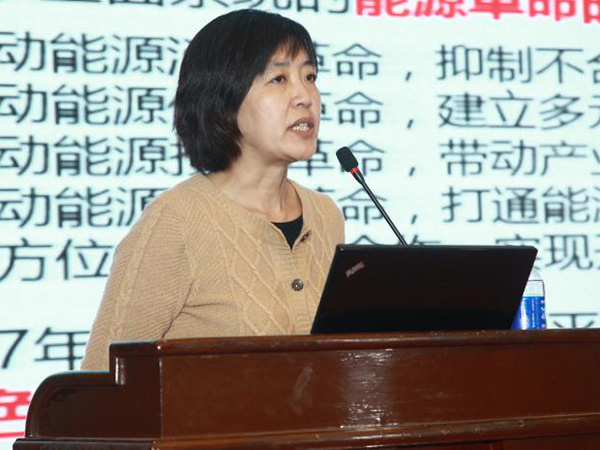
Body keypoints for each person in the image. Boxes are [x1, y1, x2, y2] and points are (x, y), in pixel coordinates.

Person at [81, 9, 345, 370]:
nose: (305, 96)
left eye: (310, 76)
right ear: (223, 98)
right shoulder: (177, 221)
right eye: (279, 79)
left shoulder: (325, 215)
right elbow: (104, 377)